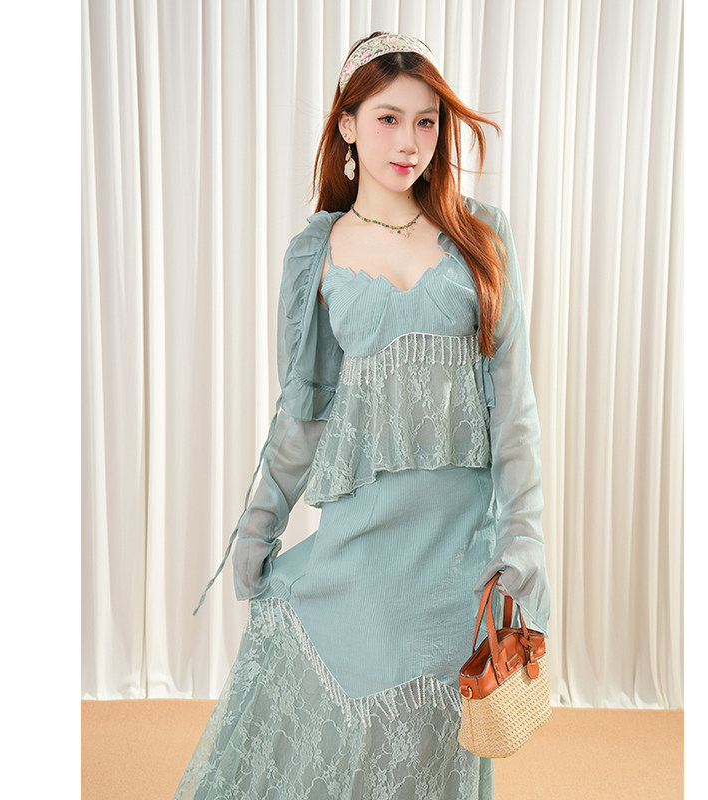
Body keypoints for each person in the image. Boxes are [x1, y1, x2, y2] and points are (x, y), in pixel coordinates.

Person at [174, 31, 550, 800]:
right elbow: (304, 411)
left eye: (426, 121)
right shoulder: (316, 253)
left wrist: (524, 533)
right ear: (347, 125)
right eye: (387, 119)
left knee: (430, 760)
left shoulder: (482, 236)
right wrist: (259, 525)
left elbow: (515, 408)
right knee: (353, 753)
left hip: (457, 559)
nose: (409, 142)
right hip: (363, 553)